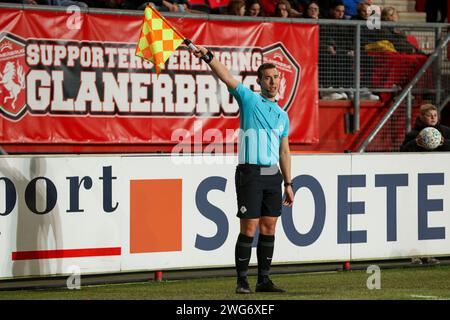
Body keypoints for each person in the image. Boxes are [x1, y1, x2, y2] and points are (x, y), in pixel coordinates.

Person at [189, 45, 294, 294]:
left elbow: (284, 152)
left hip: (272, 175)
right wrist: (207, 56)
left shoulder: (282, 115)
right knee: (249, 227)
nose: (273, 81)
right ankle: (242, 281)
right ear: (259, 82)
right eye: (267, 78)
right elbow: (225, 76)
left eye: (276, 77)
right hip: (250, 173)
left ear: (281, 80)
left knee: (269, 226)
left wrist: (288, 183)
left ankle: (264, 280)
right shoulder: (249, 100)